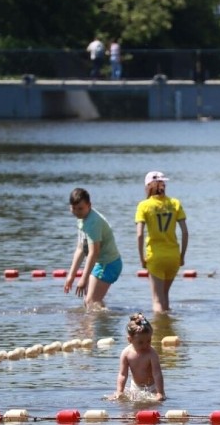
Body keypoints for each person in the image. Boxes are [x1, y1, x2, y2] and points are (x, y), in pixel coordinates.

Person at [135, 171, 189, 313]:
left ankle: (158, 332)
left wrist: (141, 258)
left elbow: (139, 235)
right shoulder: (175, 203)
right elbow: (185, 232)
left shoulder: (144, 206)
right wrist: (182, 256)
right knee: (165, 297)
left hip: (155, 257)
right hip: (173, 257)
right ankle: (168, 329)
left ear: (147, 187)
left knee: (157, 301)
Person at [64, 188, 123, 311]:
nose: (77, 212)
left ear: (89, 205)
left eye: (80, 208)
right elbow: (81, 248)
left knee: (91, 302)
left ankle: (101, 326)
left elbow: (93, 252)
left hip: (109, 264)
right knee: (90, 303)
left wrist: (83, 279)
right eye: (74, 208)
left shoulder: (93, 222)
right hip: (100, 264)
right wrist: (71, 276)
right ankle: (101, 326)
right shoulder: (82, 219)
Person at [110, 313, 165, 401]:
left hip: (152, 387)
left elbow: (157, 373)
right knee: (131, 408)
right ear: (130, 340)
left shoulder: (151, 353)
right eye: (140, 342)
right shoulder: (126, 353)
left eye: (149, 340)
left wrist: (160, 392)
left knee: (155, 404)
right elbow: (123, 374)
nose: (145, 345)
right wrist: (119, 391)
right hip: (135, 387)